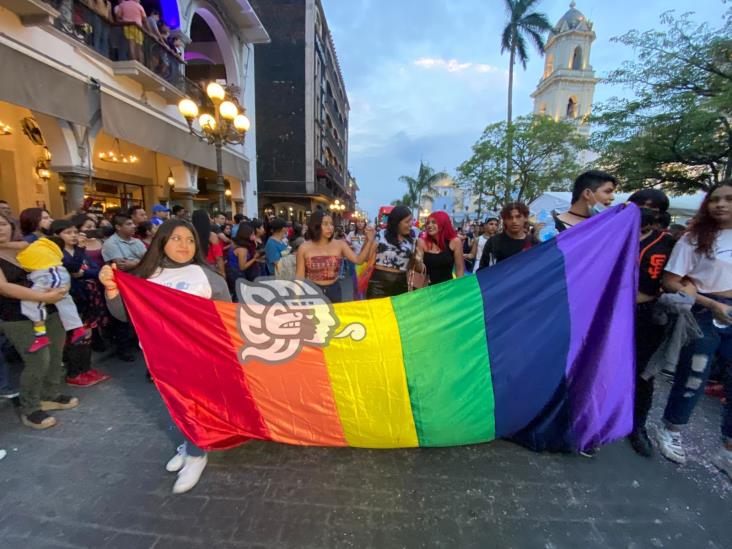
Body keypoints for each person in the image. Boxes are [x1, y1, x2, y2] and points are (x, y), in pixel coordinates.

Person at [99, 220, 231, 494]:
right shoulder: (146, 276)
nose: (183, 245)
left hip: (200, 357)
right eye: (175, 239)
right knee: (177, 405)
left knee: (197, 404)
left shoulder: (208, 276)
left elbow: (227, 319)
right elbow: (125, 314)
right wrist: (112, 289)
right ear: (161, 242)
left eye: (190, 240)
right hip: (160, 359)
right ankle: (190, 442)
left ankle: (196, 455)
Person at [656, 182, 732, 479]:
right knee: (693, 376)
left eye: (728, 199)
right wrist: (711, 303)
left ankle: (727, 449)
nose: (721, 205)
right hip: (703, 312)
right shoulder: (694, 238)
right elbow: (671, 280)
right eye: (715, 200)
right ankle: (672, 428)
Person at [0, 212, 77, 429]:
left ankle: (50, 394)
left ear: (11, 225)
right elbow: (4, 288)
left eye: (3, 224)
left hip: (52, 309)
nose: (0, 229)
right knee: (38, 360)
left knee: (55, 354)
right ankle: (30, 406)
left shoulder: (24, 246)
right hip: (17, 316)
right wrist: (44, 296)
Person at [624, 190, 676, 457]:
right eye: (640, 206)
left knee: (643, 373)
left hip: (647, 312)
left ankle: (637, 427)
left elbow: (677, 278)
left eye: (652, 209)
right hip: (610, 313)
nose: (645, 212)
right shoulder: (613, 235)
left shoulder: (669, 242)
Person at [49, 220, 110, 387]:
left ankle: (86, 368)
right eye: (68, 233)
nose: (74, 236)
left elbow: (96, 269)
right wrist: (82, 268)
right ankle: (75, 372)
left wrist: (83, 272)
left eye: (75, 232)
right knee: (76, 335)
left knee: (87, 333)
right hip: (70, 299)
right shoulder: (57, 253)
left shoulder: (78, 250)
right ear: (56, 235)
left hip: (87, 297)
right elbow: (74, 268)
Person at [15, 236, 88, 353]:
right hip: (54, 274)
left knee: (31, 302)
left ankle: (41, 335)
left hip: (49, 275)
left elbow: (19, 248)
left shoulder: (38, 246)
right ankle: (77, 329)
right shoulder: (45, 249)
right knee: (64, 301)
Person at [296, 211, 375, 303]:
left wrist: (369, 241)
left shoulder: (340, 244)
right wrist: (296, 299)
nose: (330, 227)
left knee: (333, 317)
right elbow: (299, 276)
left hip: (334, 291)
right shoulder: (304, 248)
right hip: (312, 291)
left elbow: (358, 260)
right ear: (315, 226)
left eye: (331, 224)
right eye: (325, 224)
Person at [102, 214, 147, 361]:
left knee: (137, 316)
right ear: (118, 227)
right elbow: (120, 265)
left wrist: (134, 263)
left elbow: (148, 260)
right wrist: (139, 261)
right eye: (128, 224)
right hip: (120, 285)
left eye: (133, 223)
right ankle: (123, 349)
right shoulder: (111, 244)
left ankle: (135, 343)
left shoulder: (137, 242)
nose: (133, 226)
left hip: (138, 283)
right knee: (121, 317)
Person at [366, 206, 417, 299]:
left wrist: (418, 259)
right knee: (377, 313)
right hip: (378, 285)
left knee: (398, 313)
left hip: (401, 285)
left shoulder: (412, 242)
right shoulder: (380, 235)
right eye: (407, 221)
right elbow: (367, 257)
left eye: (411, 221)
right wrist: (368, 240)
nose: (411, 224)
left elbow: (411, 266)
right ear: (397, 222)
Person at [477, 203, 535, 269]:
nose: (514, 221)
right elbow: (483, 270)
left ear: (526, 218)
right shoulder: (494, 241)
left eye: (518, 217)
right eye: (510, 217)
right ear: (504, 220)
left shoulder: (533, 243)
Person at [415, 211, 464, 285]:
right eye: (428, 223)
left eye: (434, 222)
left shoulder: (455, 242)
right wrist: (417, 262)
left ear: (443, 223)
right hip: (426, 289)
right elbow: (419, 270)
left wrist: (459, 291)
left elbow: (460, 271)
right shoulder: (421, 242)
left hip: (447, 290)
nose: (429, 225)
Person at [226, 224, 262, 295]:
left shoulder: (235, 243)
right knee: (240, 295)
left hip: (231, 271)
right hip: (236, 274)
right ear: (246, 235)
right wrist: (254, 259)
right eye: (252, 234)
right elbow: (242, 267)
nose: (254, 236)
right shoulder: (243, 249)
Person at [191, 210, 225, 277]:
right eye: (209, 217)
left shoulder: (190, 235)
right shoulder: (211, 236)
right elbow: (218, 257)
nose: (211, 220)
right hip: (210, 267)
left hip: (194, 267)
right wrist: (223, 273)